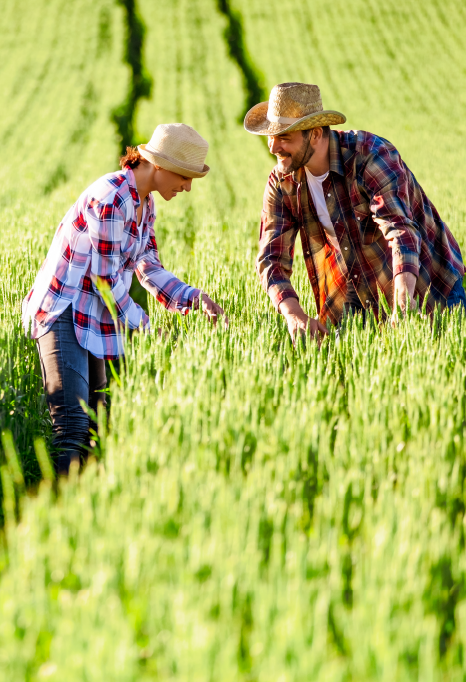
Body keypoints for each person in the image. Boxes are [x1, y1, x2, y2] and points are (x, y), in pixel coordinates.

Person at [23, 123, 226, 474]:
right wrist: (147, 329)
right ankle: (54, 519)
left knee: (98, 429)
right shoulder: (112, 197)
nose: (188, 187)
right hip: (64, 312)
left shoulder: (145, 204)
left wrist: (193, 297)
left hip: (94, 319)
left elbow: (147, 266)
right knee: (72, 429)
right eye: (185, 176)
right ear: (159, 166)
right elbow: (106, 281)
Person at [244, 82, 465, 342]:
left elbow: (400, 231)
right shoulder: (282, 183)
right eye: (271, 136)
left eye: (284, 137)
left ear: (314, 134)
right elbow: (271, 259)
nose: (273, 147)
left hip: (427, 284)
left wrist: (404, 301)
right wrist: (294, 315)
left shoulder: (370, 155)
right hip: (354, 292)